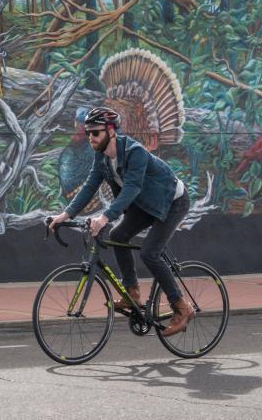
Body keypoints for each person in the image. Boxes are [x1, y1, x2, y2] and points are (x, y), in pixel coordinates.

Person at [46, 106, 195, 337]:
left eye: (95, 133)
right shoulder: (102, 157)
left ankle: (181, 307)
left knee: (149, 253)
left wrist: (105, 217)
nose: (90, 138)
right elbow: (90, 186)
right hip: (145, 204)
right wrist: (65, 215)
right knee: (117, 236)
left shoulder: (134, 151)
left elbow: (132, 188)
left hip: (172, 201)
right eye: (88, 133)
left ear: (111, 131)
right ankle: (132, 293)